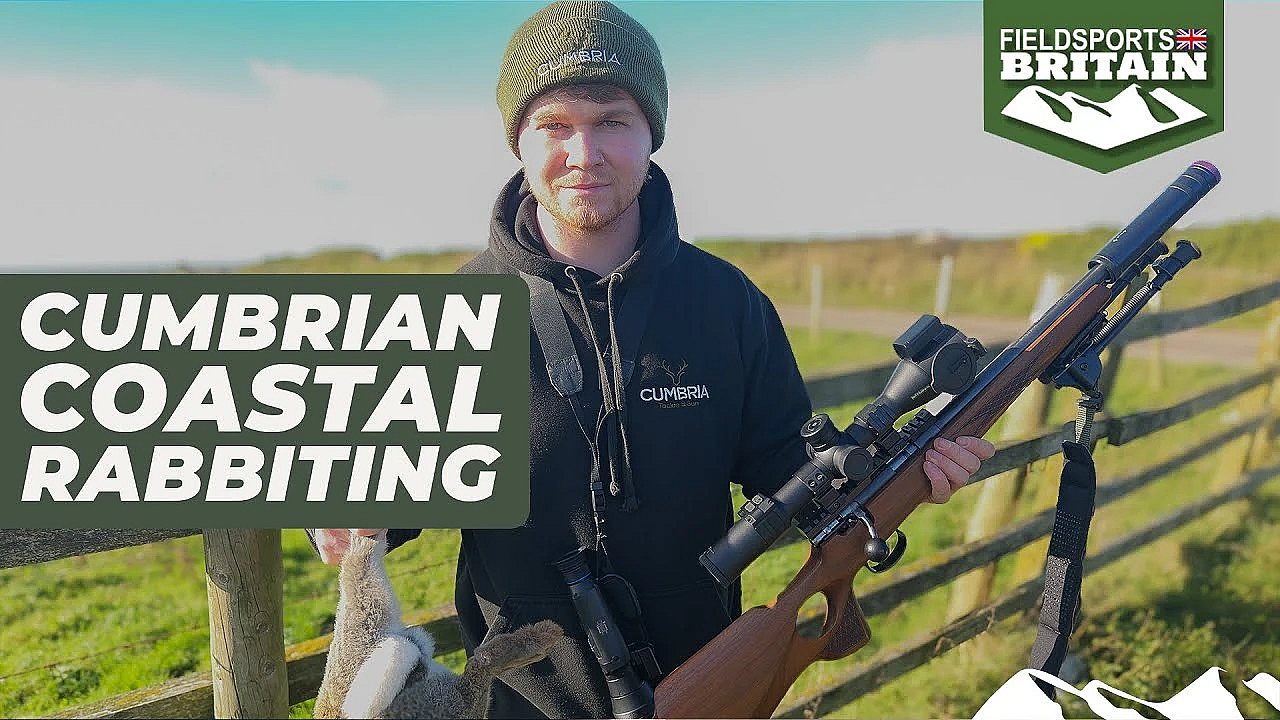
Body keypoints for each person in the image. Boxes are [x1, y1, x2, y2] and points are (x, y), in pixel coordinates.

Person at [311, 2, 995, 717]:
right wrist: (339, 507)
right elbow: (378, 495)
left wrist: (914, 477)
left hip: (709, 687)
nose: (584, 154)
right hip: (517, 700)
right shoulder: (455, 315)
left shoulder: (726, 303)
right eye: (554, 125)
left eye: (612, 120)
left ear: (651, 134)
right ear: (518, 140)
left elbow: (793, 477)